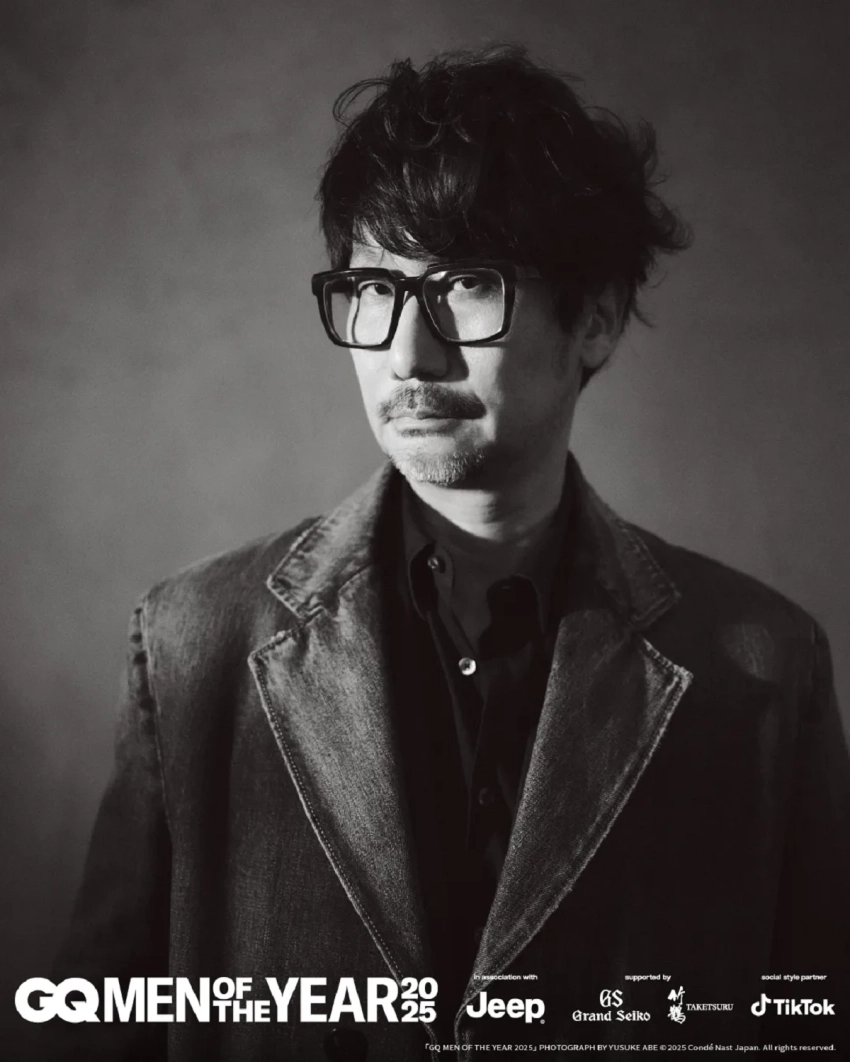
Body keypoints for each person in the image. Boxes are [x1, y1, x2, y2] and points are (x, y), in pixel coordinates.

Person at [49, 46, 849, 1060]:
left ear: (597, 318)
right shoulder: (190, 643)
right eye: (372, 291)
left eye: (466, 286)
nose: (406, 355)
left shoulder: (762, 666)